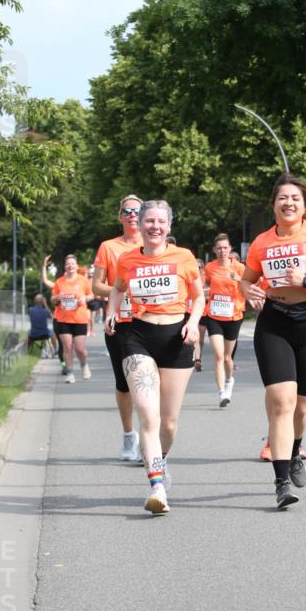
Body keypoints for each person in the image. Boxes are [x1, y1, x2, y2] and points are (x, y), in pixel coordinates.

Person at [240, 173, 306, 509]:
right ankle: (281, 482)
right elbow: (246, 282)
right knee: (281, 402)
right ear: (273, 204)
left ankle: (295, 447)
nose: (289, 204)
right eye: (283, 198)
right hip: (273, 322)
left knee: (301, 406)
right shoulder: (261, 242)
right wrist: (251, 292)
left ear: (304, 206)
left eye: (295, 199)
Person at [106, 200, 204, 515]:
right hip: (138, 338)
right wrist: (111, 312)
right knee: (148, 416)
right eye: (149, 221)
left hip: (177, 339)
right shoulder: (127, 259)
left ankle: (161, 459)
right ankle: (157, 487)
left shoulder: (184, 257)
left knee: (169, 423)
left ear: (169, 226)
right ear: (141, 224)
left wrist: (192, 323)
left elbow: (199, 296)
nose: (155, 227)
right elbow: (118, 289)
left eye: (161, 221)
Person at [93, 195, 144, 462]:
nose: (132, 215)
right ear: (120, 216)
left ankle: (149, 439)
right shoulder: (108, 247)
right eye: (127, 210)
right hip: (120, 321)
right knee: (124, 383)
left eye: (137, 210)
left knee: (147, 381)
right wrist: (121, 292)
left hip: (150, 321)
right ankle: (128, 435)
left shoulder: (154, 244)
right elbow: (96, 286)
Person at [203, 234, 246, 407]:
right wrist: (204, 290)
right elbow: (204, 284)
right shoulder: (209, 267)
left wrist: (240, 280)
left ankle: (229, 380)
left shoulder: (239, 268)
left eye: (225, 248)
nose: (222, 251)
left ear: (230, 249)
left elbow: (255, 284)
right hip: (214, 316)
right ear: (214, 250)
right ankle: (221, 393)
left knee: (228, 358)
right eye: (219, 248)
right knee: (219, 356)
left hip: (233, 316)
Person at [50, 254, 93, 384]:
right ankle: (69, 373)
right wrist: (57, 297)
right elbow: (52, 299)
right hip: (63, 319)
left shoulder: (83, 280)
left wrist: (84, 298)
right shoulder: (59, 282)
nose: (70, 266)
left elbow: (91, 295)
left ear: (77, 266)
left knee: (80, 349)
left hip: (79, 319)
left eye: (72, 264)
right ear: (65, 267)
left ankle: (84, 364)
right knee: (67, 347)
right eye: (68, 264)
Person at [193, 258, 208, 371]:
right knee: (195, 337)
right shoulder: (190, 275)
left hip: (204, 310)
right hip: (190, 310)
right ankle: (197, 359)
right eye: (195, 267)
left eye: (199, 267)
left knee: (201, 338)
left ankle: (199, 356)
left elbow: (213, 288)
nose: (197, 269)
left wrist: (207, 291)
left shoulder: (205, 277)